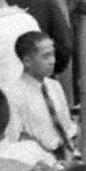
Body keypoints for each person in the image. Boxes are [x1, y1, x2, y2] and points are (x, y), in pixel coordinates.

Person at [8, 29, 76, 159]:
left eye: (53, 55)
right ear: (27, 61)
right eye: (46, 56)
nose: (52, 61)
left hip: (66, 154)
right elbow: (15, 138)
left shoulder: (54, 86)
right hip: (40, 160)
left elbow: (66, 125)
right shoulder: (15, 94)